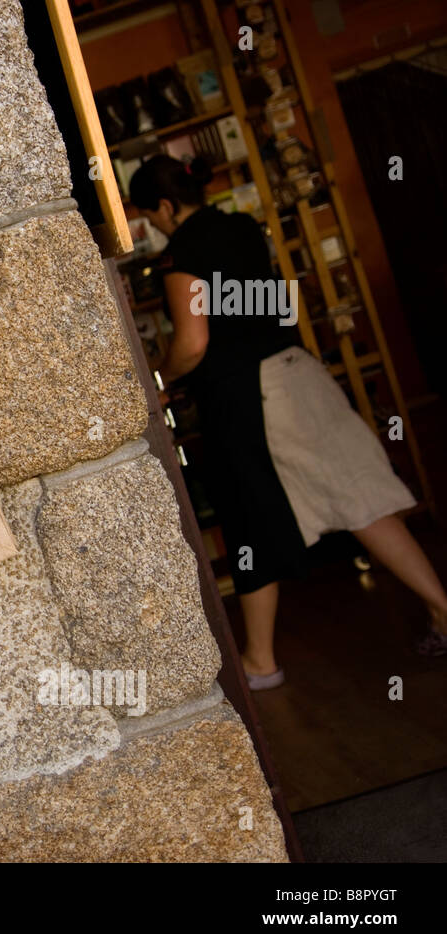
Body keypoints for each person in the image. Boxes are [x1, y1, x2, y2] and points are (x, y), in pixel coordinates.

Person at [127, 155, 447, 688]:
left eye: (152, 217)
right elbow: (269, 304)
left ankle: (259, 661)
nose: (155, 228)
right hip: (300, 372)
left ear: (164, 206)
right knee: (360, 499)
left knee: (250, 518)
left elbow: (193, 342)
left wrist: (158, 377)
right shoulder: (244, 228)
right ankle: (440, 609)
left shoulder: (185, 253)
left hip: (257, 395)